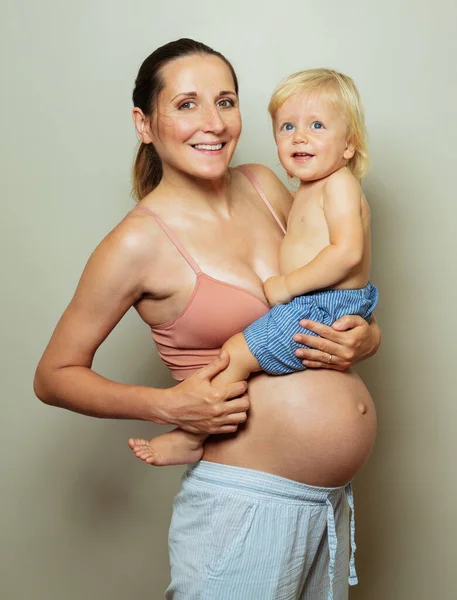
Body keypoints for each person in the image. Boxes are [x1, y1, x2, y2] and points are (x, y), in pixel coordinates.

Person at [34, 39, 381, 600]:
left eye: (226, 101)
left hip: (326, 503)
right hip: (240, 506)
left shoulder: (266, 186)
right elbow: (53, 375)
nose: (213, 123)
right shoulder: (136, 242)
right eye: (187, 104)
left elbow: (328, 290)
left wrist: (364, 339)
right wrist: (165, 405)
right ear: (144, 123)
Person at [129, 68, 379, 469]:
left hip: (318, 306)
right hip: (248, 489)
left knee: (236, 353)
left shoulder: (329, 185)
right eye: (287, 127)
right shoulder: (306, 191)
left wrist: (291, 289)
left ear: (349, 144)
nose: (299, 136)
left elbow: (348, 256)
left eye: (317, 125)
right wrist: (167, 404)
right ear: (144, 123)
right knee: (235, 356)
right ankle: (191, 432)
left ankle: (191, 437)